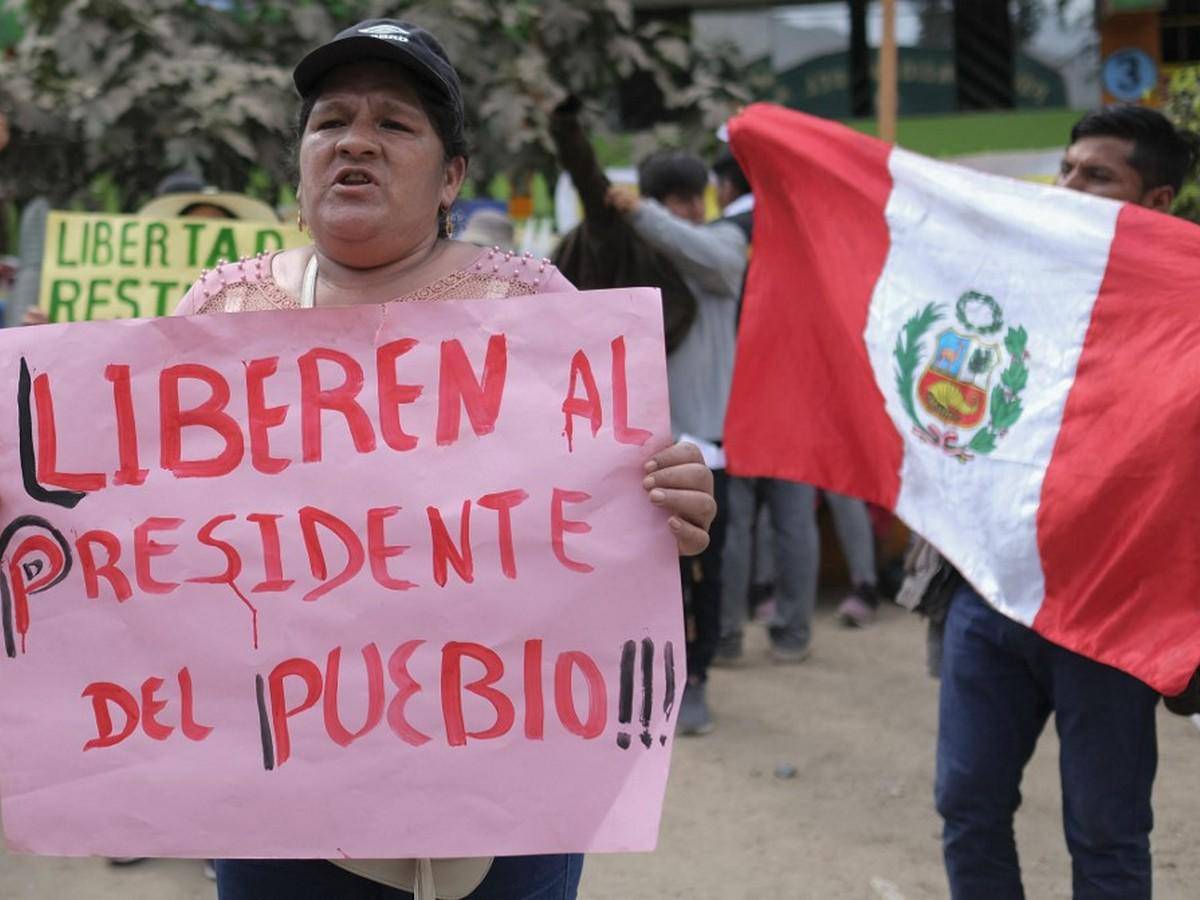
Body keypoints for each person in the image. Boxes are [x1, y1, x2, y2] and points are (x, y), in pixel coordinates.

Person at [174, 19, 716, 900]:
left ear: (451, 175)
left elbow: (609, 515)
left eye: (394, 123)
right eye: (331, 121)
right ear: (302, 164)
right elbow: (141, 521)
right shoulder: (221, 309)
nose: (355, 139)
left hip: (505, 788)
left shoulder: (533, 307)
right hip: (277, 783)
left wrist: (672, 506)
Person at [925, 105, 1199, 900]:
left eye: (1098, 175)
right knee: (966, 806)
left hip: (1112, 615)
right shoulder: (1014, 285)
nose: (1069, 185)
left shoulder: (1184, 314)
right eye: (1068, 168)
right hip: (993, 592)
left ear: (1158, 201)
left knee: (1105, 833)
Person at [607, 150, 746, 736]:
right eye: (680, 201)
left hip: (710, 443)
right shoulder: (639, 255)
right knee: (646, 571)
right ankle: (653, 680)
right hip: (648, 447)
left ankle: (700, 678)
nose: (694, 211)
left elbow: (713, 255)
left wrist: (643, 213)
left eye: (698, 199)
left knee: (707, 568)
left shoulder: (720, 248)